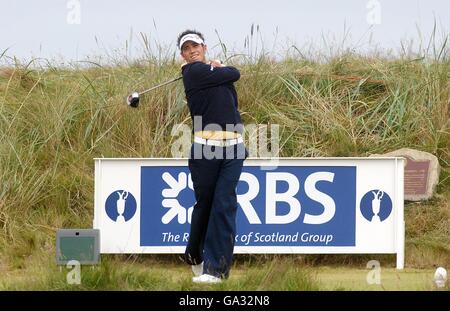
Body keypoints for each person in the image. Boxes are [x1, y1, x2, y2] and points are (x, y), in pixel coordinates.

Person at [177, 29, 247, 284]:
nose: (192, 50)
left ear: (204, 47)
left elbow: (230, 81)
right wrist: (218, 68)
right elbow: (235, 72)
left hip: (234, 147)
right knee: (204, 205)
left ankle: (216, 270)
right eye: (186, 48)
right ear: (183, 55)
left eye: (196, 46)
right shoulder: (192, 72)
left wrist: (217, 70)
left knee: (224, 204)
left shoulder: (214, 74)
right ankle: (195, 255)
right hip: (205, 148)